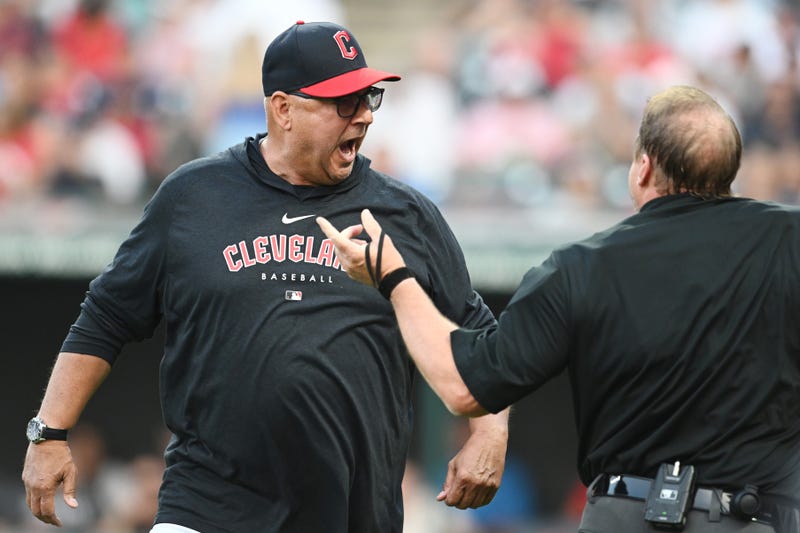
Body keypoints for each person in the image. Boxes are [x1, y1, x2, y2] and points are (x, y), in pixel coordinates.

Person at [22, 20, 509, 533]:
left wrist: (490, 434)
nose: (364, 115)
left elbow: (478, 334)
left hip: (349, 510)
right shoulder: (194, 196)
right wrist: (48, 432)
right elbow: (105, 317)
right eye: (344, 101)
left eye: (368, 97)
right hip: (207, 504)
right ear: (283, 108)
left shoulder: (405, 214)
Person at [317, 85, 800, 533]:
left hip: (630, 515)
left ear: (644, 169)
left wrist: (394, 278)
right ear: (730, 170)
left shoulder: (582, 267)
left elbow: (464, 387)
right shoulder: (789, 241)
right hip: (760, 517)